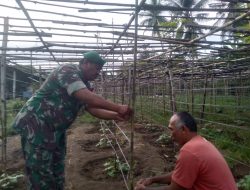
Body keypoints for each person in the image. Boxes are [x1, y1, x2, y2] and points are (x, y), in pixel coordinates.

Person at [12, 51, 133, 190]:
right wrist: (118, 107)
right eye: (97, 68)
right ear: (85, 63)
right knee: (41, 173)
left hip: (55, 130)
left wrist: (116, 116)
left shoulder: (84, 84)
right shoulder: (68, 70)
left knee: (57, 168)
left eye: (100, 69)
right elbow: (86, 96)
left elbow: (91, 108)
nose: (98, 72)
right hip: (36, 126)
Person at [135, 112, 237, 190]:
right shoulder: (201, 142)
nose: (170, 135)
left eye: (171, 130)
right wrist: (152, 180)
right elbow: (179, 175)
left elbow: (175, 189)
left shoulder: (189, 151)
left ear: (183, 129)